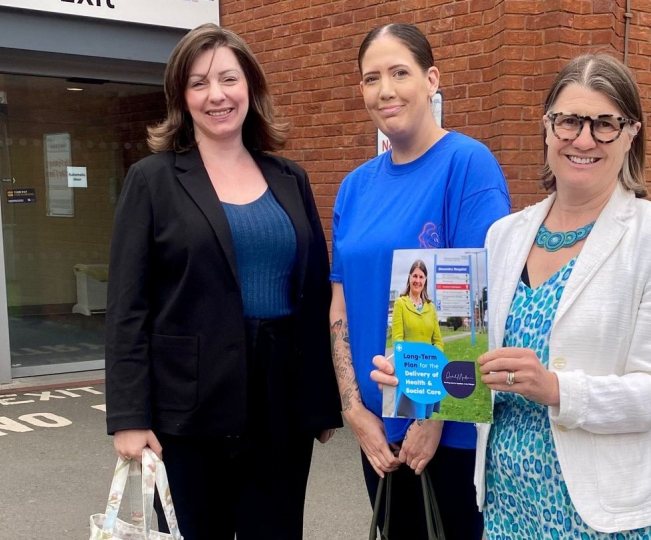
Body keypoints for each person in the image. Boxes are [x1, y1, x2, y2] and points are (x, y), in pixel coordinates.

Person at [373, 53, 651, 538]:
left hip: (602, 518)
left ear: (631, 133)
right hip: (507, 508)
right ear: (548, 129)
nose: (583, 139)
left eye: (604, 124)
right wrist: (418, 378)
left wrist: (556, 389)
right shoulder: (503, 236)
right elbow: (472, 365)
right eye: (568, 121)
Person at [104, 23, 341, 540]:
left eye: (228, 79)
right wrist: (128, 416)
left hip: (281, 403)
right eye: (198, 83)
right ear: (181, 98)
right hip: (186, 409)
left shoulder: (289, 177)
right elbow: (128, 306)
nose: (217, 96)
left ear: (250, 87)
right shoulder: (152, 179)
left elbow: (313, 291)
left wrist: (320, 400)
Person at [329, 23, 511, 540]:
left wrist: (431, 419)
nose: (384, 90)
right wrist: (353, 408)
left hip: (446, 432)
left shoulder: (467, 165)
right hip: (376, 428)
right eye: (370, 78)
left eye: (399, 72)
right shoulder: (354, 187)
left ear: (432, 80)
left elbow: (476, 300)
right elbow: (339, 302)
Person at [391, 259, 443, 419]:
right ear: (409, 277)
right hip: (409, 369)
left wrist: (433, 360)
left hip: (428, 371)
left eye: (421, 277)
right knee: (406, 418)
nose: (417, 281)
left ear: (425, 280)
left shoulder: (431, 307)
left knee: (424, 421)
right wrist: (410, 362)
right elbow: (398, 339)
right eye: (415, 276)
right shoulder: (400, 303)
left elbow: (438, 341)